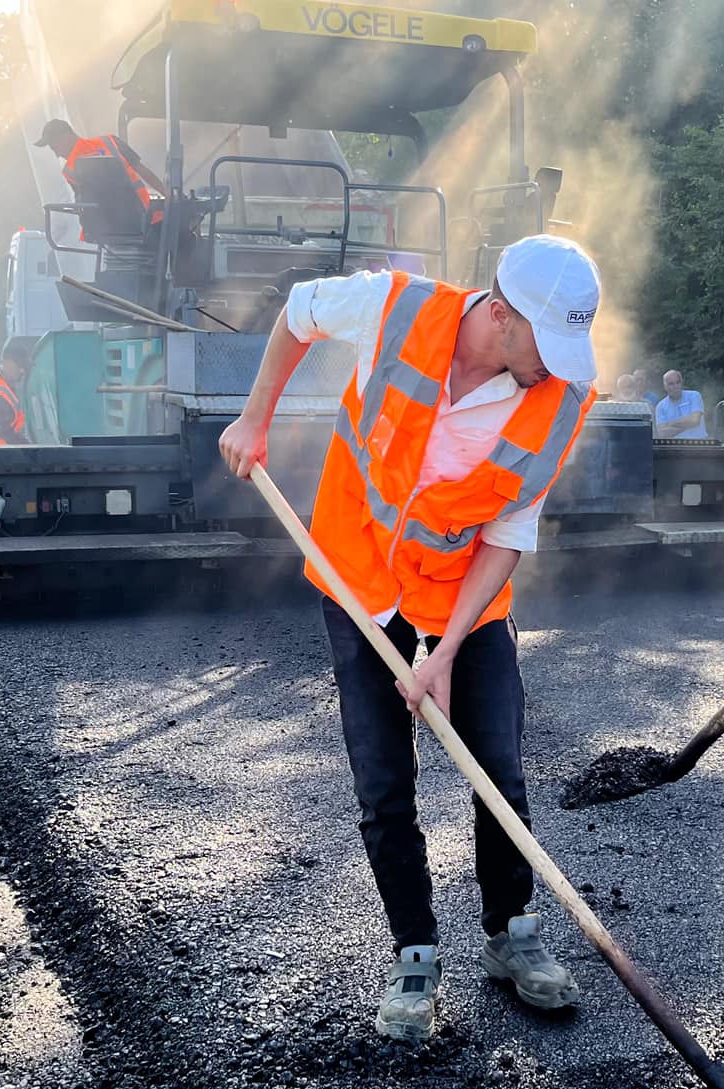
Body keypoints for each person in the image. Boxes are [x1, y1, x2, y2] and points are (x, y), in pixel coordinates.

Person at [217, 235, 600, 1041]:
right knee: (384, 781)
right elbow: (297, 315)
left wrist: (448, 650)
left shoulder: (560, 396)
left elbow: (508, 533)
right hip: (360, 580)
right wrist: (256, 417)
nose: (560, 365)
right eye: (547, 343)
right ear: (501, 313)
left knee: (496, 768)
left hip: (465, 596)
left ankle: (512, 931)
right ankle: (415, 954)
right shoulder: (392, 307)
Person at [35, 118, 166, 228]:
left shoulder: (69, 170)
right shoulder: (110, 142)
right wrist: (167, 193)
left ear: (65, 137)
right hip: (148, 218)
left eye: (54, 148)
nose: (57, 154)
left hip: (116, 231)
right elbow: (142, 170)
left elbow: (84, 207)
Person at [653, 370, 710, 439]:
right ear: (665, 387)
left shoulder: (694, 396)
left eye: (678, 382)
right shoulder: (660, 406)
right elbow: (662, 433)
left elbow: (694, 420)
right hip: (673, 446)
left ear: (681, 383)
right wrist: (686, 426)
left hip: (698, 444)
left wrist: (671, 423)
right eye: (671, 384)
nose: (675, 386)